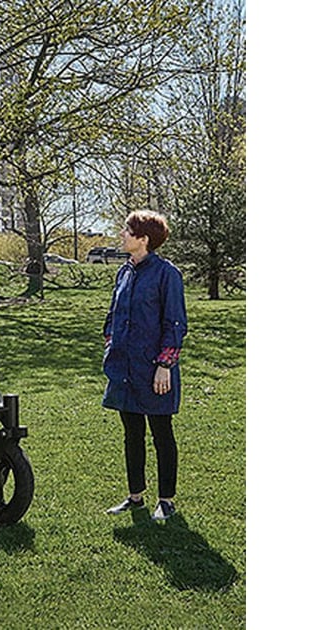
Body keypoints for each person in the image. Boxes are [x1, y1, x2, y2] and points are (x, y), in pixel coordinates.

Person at [101, 210, 188, 521]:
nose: (122, 235)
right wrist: (110, 343)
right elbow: (113, 314)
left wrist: (165, 365)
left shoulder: (167, 274)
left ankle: (166, 501)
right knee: (132, 433)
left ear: (144, 239)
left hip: (154, 370)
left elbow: (175, 323)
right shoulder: (124, 272)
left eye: (128, 231)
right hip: (124, 369)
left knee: (161, 433)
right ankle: (135, 496)